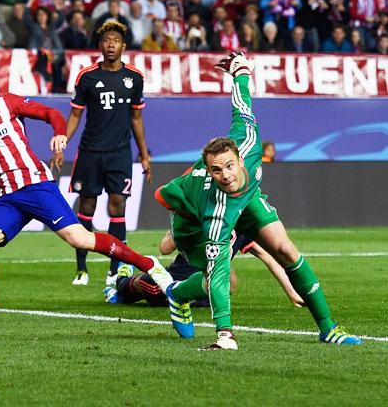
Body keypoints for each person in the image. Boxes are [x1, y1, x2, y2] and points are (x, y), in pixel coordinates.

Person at [0, 58, 172, 317]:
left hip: (36, 185)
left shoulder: (7, 103)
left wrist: (59, 132)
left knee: (80, 238)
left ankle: (149, 264)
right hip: (8, 197)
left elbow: (50, 114)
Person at [155, 52, 363, 349]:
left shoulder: (249, 141)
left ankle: (328, 328)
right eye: (216, 170)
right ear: (209, 171)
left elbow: (241, 105)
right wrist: (224, 335)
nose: (225, 174)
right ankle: (177, 294)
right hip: (190, 219)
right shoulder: (216, 211)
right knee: (216, 272)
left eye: (229, 166)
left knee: (286, 250)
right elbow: (163, 195)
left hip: (247, 198)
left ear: (240, 159)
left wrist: (240, 72)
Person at [51, 21, 151, 287]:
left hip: (120, 153)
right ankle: (81, 269)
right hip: (90, 152)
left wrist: (144, 155)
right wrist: (62, 143)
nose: (111, 45)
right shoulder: (87, 76)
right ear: (100, 44)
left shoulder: (134, 78)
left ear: (123, 46)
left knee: (118, 206)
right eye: (106, 40)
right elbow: (75, 114)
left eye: (115, 41)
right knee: (87, 207)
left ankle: (114, 269)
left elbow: (137, 118)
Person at [104, 229, 304, 310]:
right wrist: (176, 228)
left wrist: (292, 293)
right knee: (153, 288)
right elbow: (164, 248)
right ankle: (121, 281)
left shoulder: (243, 226)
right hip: (172, 280)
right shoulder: (200, 216)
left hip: (202, 291)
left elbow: (267, 257)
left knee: (222, 289)